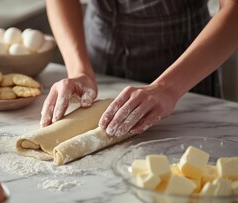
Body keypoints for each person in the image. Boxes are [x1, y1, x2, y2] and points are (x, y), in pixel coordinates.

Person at [40, 0, 238, 138]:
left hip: (185, 67)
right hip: (99, 54)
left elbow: (234, 7)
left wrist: (168, 88)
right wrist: (79, 70)